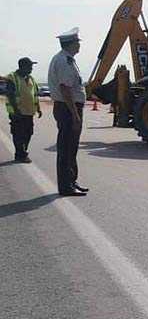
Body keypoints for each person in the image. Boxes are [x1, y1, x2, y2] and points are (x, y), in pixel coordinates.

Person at [47, 27, 89, 197]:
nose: (79, 45)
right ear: (70, 44)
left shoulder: (68, 59)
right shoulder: (64, 61)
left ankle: (71, 181)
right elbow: (65, 89)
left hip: (69, 107)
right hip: (67, 108)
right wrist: (75, 114)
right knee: (66, 148)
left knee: (71, 147)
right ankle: (66, 186)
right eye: (77, 42)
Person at [5, 57, 42, 163]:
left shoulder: (31, 78)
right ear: (22, 66)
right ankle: (20, 154)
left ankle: (22, 151)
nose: (31, 68)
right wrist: (16, 111)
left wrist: (38, 108)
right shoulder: (12, 77)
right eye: (29, 66)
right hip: (17, 112)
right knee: (18, 133)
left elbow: (35, 95)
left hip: (29, 112)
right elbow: (10, 95)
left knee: (28, 133)